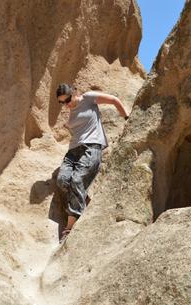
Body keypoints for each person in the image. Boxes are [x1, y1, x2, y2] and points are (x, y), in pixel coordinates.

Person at [55, 83, 129, 243]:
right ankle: (84, 201)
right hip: (73, 151)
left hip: (92, 147)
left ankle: (69, 229)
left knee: (77, 181)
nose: (66, 104)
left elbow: (114, 100)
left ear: (74, 92)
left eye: (67, 99)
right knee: (62, 181)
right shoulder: (71, 113)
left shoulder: (88, 98)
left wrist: (127, 118)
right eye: (62, 102)